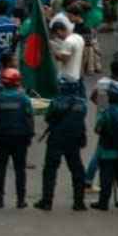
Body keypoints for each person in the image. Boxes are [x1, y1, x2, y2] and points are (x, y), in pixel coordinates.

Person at [36, 74, 88, 212]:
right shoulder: (81, 104)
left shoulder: (56, 102)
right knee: (77, 170)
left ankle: (47, 201)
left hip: (56, 139)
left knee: (50, 170)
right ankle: (79, 202)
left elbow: (48, 118)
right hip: (74, 140)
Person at [0, 68, 33, 208]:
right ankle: (21, 200)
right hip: (20, 138)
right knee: (20, 169)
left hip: (2, 138)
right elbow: (29, 118)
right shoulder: (24, 98)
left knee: (0, 168)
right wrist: (30, 135)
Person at [91, 80, 118, 210]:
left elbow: (98, 129)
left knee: (106, 178)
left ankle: (103, 203)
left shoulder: (107, 112)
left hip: (109, 151)